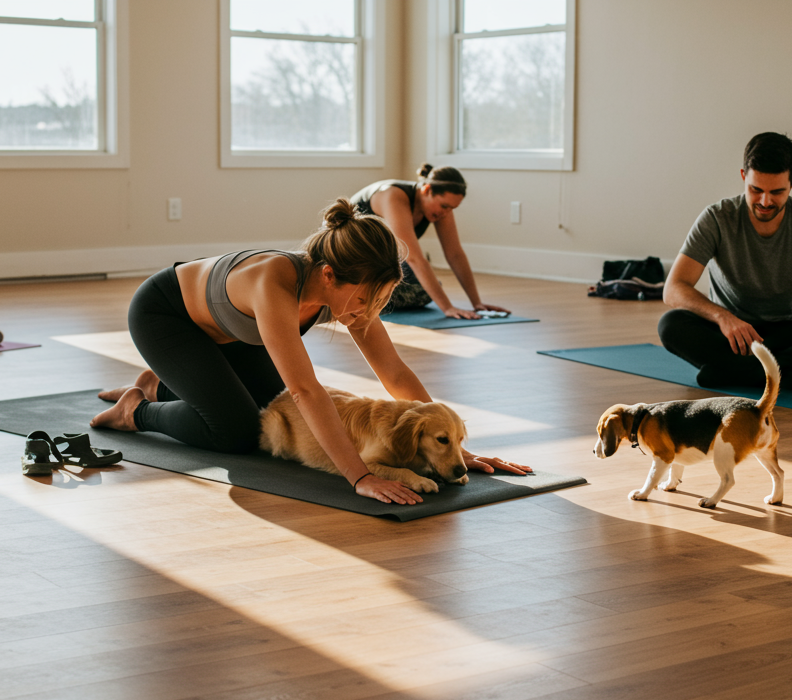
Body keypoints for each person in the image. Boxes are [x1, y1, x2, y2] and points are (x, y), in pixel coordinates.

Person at [91, 199, 530, 505]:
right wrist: (360, 476)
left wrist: (452, 445)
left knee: (269, 414)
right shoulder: (273, 283)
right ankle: (137, 410)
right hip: (167, 318)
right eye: (365, 300)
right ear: (328, 275)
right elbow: (305, 390)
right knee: (237, 433)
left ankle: (164, 382)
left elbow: (393, 371)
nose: (366, 311)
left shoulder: (348, 288)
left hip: (230, 336)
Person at [658, 132, 792, 394]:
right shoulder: (716, 218)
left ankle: (734, 373)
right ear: (743, 176)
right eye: (756, 189)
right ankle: (790, 378)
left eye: (777, 192)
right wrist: (723, 318)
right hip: (733, 335)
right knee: (670, 324)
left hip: (790, 332)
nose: (765, 201)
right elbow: (674, 288)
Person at [350, 163, 510, 320]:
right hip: (349, 260)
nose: (446, 212)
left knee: (424, 291)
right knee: (411, 289)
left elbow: (455, 254)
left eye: (452, 208)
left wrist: (477, 303)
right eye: (444, 206)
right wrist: (448, 308)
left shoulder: (439, 210)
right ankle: (353, 295)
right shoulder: (393, 196)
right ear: (427, 190)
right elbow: (413, 258)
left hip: (379, 262)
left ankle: (368, 297)